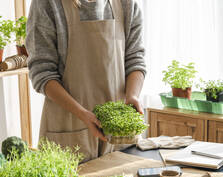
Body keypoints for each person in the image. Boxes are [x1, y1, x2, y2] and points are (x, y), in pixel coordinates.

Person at [26, 0, 146, 161]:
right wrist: (82, 114)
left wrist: (132, 96)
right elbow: (43, 73)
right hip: (68, 130)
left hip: (118, 135)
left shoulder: (126, 4)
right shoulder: (48, 4)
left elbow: (135, 59)